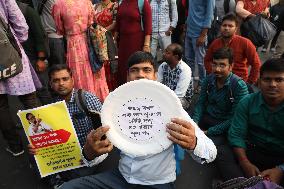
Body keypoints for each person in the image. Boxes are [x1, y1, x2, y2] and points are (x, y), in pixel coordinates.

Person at [60, 51, 217, 189]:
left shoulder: (172, 109)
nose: (140, 74)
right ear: (128, 77)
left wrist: (193, 143)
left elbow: (210, 152)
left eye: (146, 70)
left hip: (157, 183)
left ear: (155, 76)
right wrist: (89, 154)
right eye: (134, 70)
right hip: (120, 178)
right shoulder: (115, 109)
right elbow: (104, 149)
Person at [28, 64, 109, 185]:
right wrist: (38, 144)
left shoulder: (87, 99)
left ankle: (59, 178)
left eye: (65, 79)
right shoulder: (52, 105)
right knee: (35, 156)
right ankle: (56, 179)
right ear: (50, 84)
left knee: (75, 179)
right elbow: (50, 132)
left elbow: (105, 130)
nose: (61, 83)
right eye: (56, 80)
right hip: (65, 150)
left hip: (89, 152)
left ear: (72, 80)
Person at [193, 47, 249, 181]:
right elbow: (200, 103)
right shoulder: (209, 79)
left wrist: (208, 132)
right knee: (185, 124)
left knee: (212, 148)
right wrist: (194, 123)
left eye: (222, 65)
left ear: (231, 66)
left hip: (225, 125)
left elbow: (234, 119)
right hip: (208, 117)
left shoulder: (239, 86)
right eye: (215, 64)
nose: (217, 69)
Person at [228, 58, 284, 185]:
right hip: (252, 151)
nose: (273, 84)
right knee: (221, 152)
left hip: (281, 156)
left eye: (279, 80)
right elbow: (236, 135)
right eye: (267, 79)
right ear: (259, 82)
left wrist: (281, 170)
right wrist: (244, 162)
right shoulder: (247, 102)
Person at [0, 0, 42, 156]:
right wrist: (17, 40)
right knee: (29, 99)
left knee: (1, 107)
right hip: (11, 53)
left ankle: (16, 146)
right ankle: (43, 140)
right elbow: (21, 24)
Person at [52, 0, 109, 102]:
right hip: (90, 43)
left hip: (73, 46)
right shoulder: (87, 2)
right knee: (95, 74)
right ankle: (99, 103)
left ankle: (83, 103)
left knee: (79, 74)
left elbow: (59, 29)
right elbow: (92, 22)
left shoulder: (58, 4)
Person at [204, 13, 261, 86]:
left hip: (239, 82)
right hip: (218, 81)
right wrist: (212, 74)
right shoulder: (215, 43)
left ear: (236, 29)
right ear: (220, 27)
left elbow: (256, 64)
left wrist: (249, 83)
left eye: (230, 26)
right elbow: (207, 60)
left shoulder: (245, 42)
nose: (226, 28)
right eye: (224, 25)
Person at [17, 1, 52, 105]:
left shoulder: (27, 11)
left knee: (42, 90)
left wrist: (41, 59)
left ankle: (53, 116)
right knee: (24, 93)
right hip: (19, 60)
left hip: (33, 57)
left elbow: (40, 36)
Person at [115, 0, 152, 85]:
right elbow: (118, 23)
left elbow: (148, 26)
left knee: (136, 66)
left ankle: (138, 90)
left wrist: (146, 45)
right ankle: (124, 92)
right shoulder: (121, 2)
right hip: (123, 43)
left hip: (136, 42)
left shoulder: (142, 2)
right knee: (123, 69)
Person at [184, 0, 215, 88]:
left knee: (201, 61)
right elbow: (191, 11)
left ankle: (203, 84)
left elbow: (210, 15)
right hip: (189, 31)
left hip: (199, 33)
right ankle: (189, 81)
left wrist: (203, 34)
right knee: (189, 59)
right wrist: (186, 26)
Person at [157, 43, 193, 109]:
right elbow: (157, 83)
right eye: (165, 51)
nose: (163, 54)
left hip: (182, 99)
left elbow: (179, 95)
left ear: (175, 57)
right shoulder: (163, 65)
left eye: (167, 53)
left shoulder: (185, 69)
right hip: (167, 94)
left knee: (165, 107)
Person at [94, 0, 118, 91]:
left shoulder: (114, 6)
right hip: (97, 41)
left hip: (110, 39)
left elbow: (115, 23)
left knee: (111, 63)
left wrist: (102, 31)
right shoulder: (95, 7)